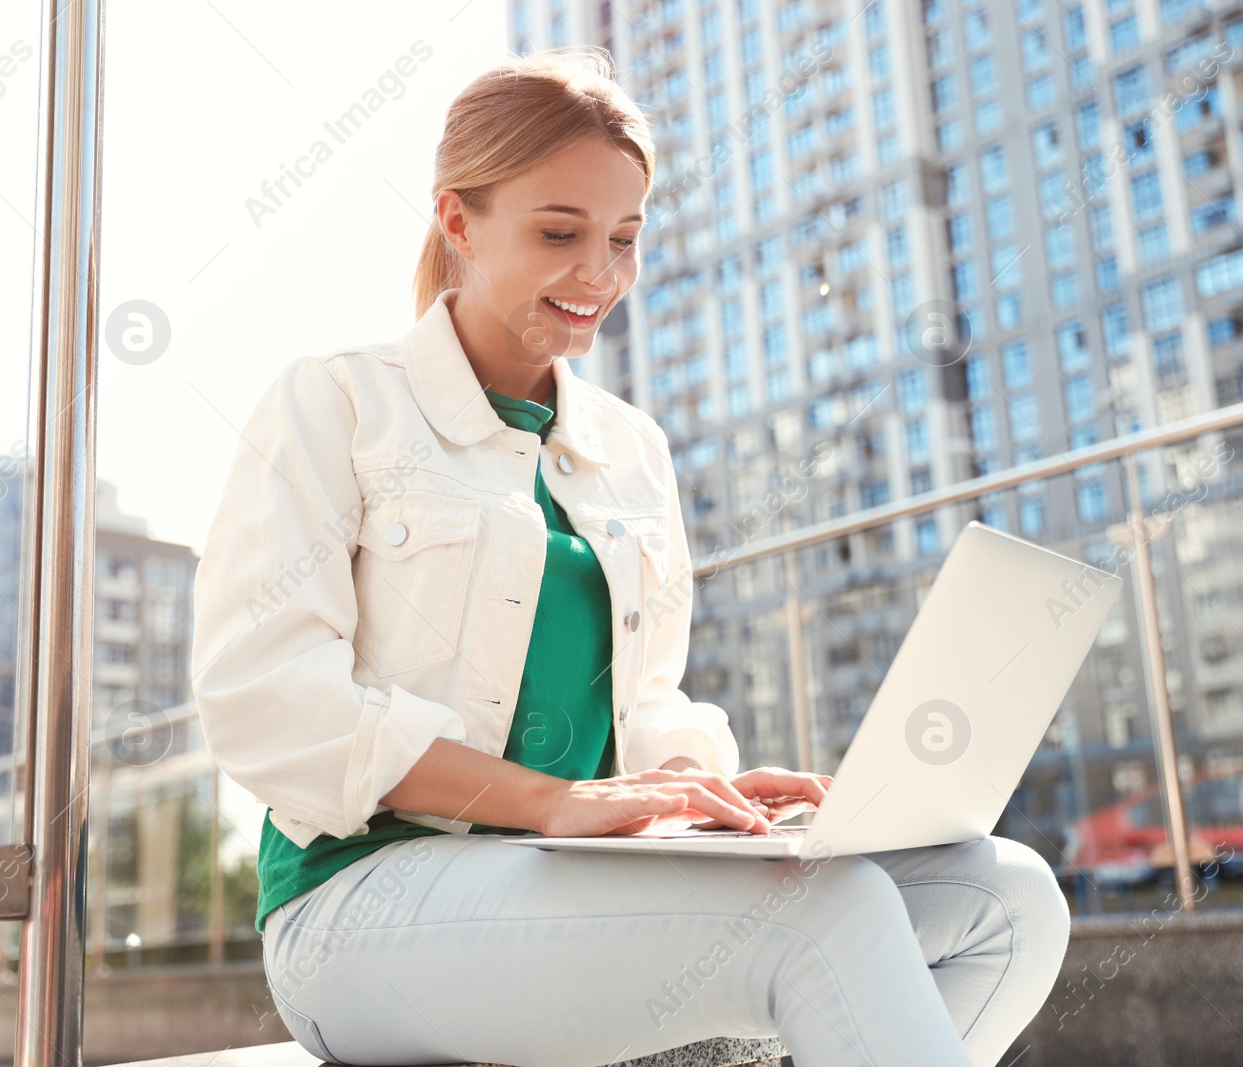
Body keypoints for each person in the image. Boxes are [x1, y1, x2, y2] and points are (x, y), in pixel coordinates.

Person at [192, 46, 1070, 1067]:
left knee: (1007, 893)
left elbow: (646, 703)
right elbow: (266, 699)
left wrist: (711, 796)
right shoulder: (336, 402)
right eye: (559, 232)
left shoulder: (630, 447)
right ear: (458, 220)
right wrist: (548, 799)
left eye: (624, 238)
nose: (599, 275)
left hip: (565, 884)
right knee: (818, 918)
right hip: (359, 905)